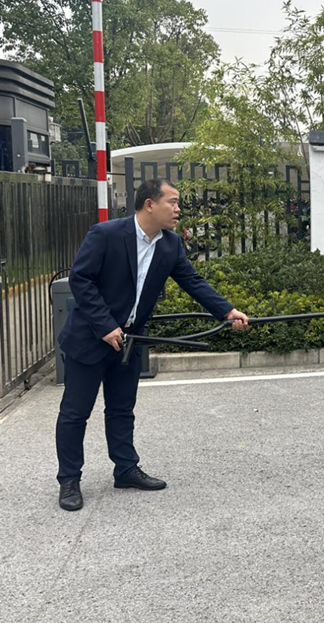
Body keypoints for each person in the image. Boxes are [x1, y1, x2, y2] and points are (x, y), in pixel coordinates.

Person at [55, 179, 250, 512]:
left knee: (121, 409)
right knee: (75, 413)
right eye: (172, 202)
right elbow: (81, 280)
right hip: (90, 339)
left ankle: (125, 469)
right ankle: (69, 480)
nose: (178, 209)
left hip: (131, 341)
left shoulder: (170, 244)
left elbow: (192, 281)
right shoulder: (106, 234)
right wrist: (105, 325)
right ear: (149, 204)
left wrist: (227, 311)